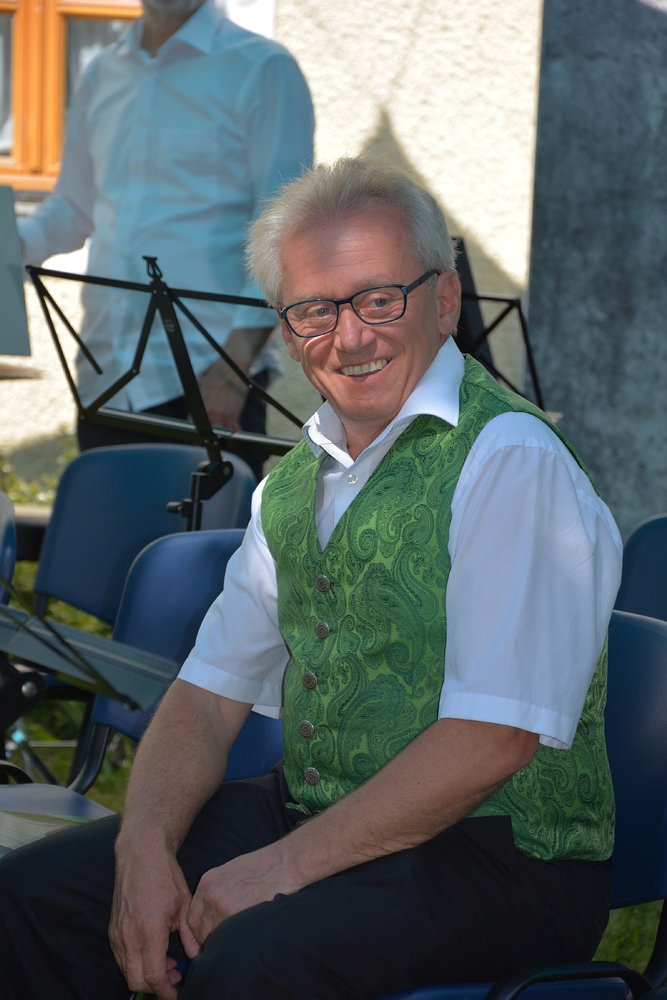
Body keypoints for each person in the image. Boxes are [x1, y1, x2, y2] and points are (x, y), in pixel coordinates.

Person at [0, 158, 623, 1000]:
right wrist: (142, 847)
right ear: (286, 331)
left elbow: (492, 739)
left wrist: (280, 868)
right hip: (319, 813)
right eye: (314, 310)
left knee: (253, 960)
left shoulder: (510, 460)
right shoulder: (294, 480)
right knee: (33, 897)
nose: (349, 337)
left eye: (378, 298)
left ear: (444, 300)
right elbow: (206, 695)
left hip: (502, 856)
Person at [18, 0, 314, 480]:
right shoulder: (101, 72)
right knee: (110, 528)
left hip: (211, 377)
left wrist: (233, 367)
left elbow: (287, 229)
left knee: (209, 533)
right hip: (106, 377)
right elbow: (71, 210)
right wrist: (10, 245)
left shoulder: (263, 68)